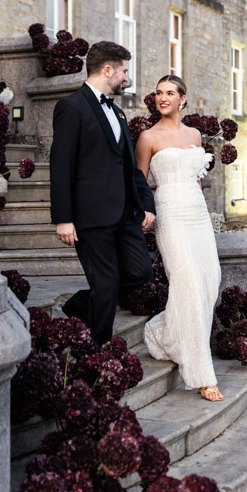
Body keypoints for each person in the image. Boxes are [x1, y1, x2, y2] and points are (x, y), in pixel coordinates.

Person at [49, 41, 156, 345]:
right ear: (107, 70)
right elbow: (61, 165)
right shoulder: (71, 107)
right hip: (90, 215)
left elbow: (131, 168)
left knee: (140, 272)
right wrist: (63, 218)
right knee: (106, 282)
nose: (127, 78)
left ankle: (80, 305)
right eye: (124, 71)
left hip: (124, 213)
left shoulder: (119, 114)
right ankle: (98, 351)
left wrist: (147, 205)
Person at [135, 75, 224, 402]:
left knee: (210, 279)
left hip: (196, 212)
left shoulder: (195, 134)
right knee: (186, 279)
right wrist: (144, 215)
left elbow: (197, 179)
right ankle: (202, 374)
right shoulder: (147, 137)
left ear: (182, 99)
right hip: (169, 211)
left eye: (170, 93)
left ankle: (165, 334)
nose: (163, 97)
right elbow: (139, 182)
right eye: (159, 92)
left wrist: (202, 208)